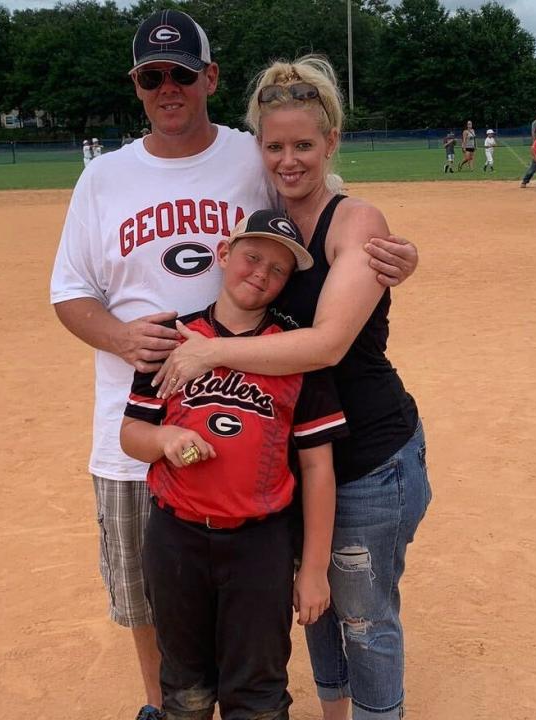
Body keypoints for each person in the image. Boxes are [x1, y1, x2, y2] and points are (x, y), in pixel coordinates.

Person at [49, 11, 418, 720]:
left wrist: (398, 255)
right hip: (139, 419)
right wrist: (125, 341)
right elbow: (69, 292)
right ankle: (167, 707)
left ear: (209, 77)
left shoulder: (250, 154)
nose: (168, 87)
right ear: (136, 85)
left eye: (182, 73)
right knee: (151, 594)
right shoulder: (102, 177)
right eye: (152, 76)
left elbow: (318, 196)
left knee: (266, 596)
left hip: (262, 421)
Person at [151, 54, 432, 720]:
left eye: (304, 144)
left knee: (364, 620)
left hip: (368, 458)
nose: (289, 159)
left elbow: (329, 343)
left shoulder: (355, 221)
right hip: (296, 458)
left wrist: (212, 352)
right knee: (316, 610)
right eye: (274, 146)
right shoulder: (264, 219)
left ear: (331, 142)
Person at [121, 209, 347, 720]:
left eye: (278, 269)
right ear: (223, 254)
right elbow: (131, 435)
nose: (261, 274)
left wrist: (312, 569)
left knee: (258, 694)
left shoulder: (295, 353)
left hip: (259, 545)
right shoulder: (171, 338)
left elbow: (317, 469)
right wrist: (166, 437)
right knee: (186, 690)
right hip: (175, 538)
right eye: (252, 257)